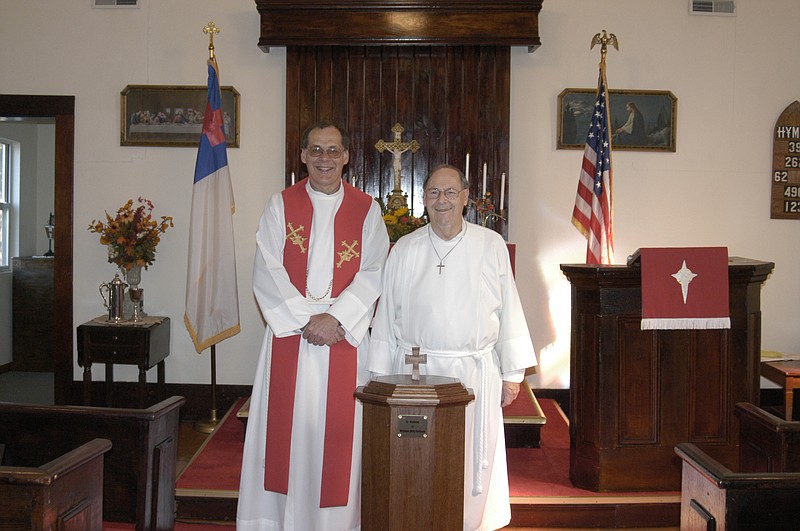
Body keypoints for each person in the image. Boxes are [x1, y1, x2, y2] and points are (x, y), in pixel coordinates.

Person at [237, 121, 390, 530]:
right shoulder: (280, 205)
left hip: (343, 339)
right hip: (293, 338)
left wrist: (337, 318)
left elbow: (376, 269)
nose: (325, 158)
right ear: (303, 156)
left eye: (333, 150)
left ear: (346, 157)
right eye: (316, 150)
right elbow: (266, 268)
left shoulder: (367, 209)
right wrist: (309, 321)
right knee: (287, 437)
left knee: (338, 438)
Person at [368, 164, 537, 531]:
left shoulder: (489, 245)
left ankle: (469, 523)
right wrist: (380, 376)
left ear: (465, 198)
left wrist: (512, 375)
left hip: (473, 375)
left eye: (449, 193)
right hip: (416, 376)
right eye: (433, 193)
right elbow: (385, 318)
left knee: (467, 462)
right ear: (423, 199)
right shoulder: (405, 250)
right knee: (419, 459)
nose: (441, 200)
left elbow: (509, 307)